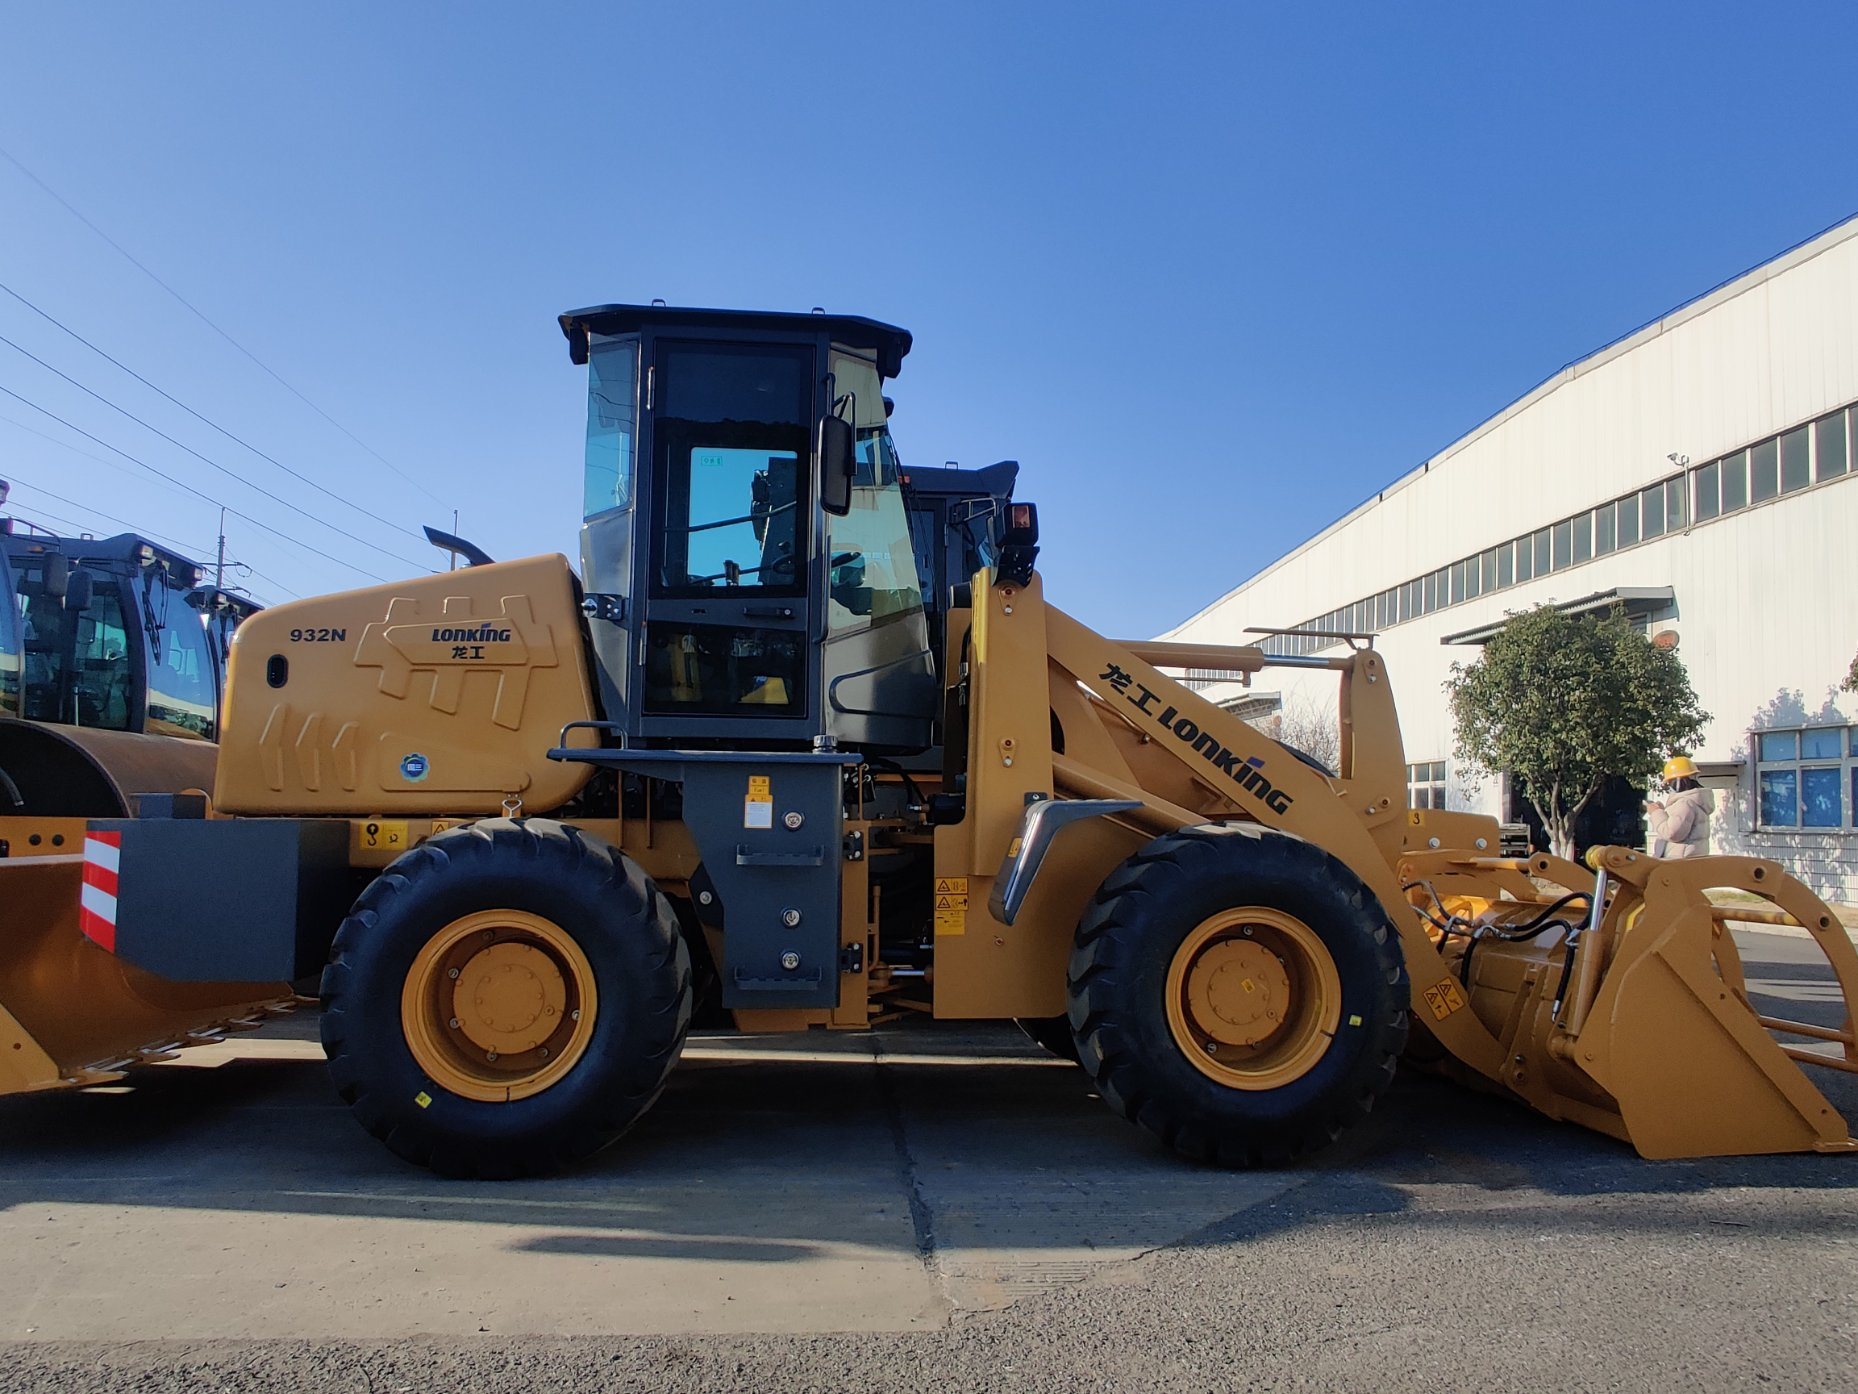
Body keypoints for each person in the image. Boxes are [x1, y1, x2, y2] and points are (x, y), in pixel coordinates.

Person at [1646, 755, 1713, 859]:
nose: (1669, 786)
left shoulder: (1685, 803)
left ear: (1677, 781)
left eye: (1669, 782)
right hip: (1687, 862)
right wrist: (1663, 812)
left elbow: (1672, 833)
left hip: (1679, 863)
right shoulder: (1694, 801)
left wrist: (1656, 813)